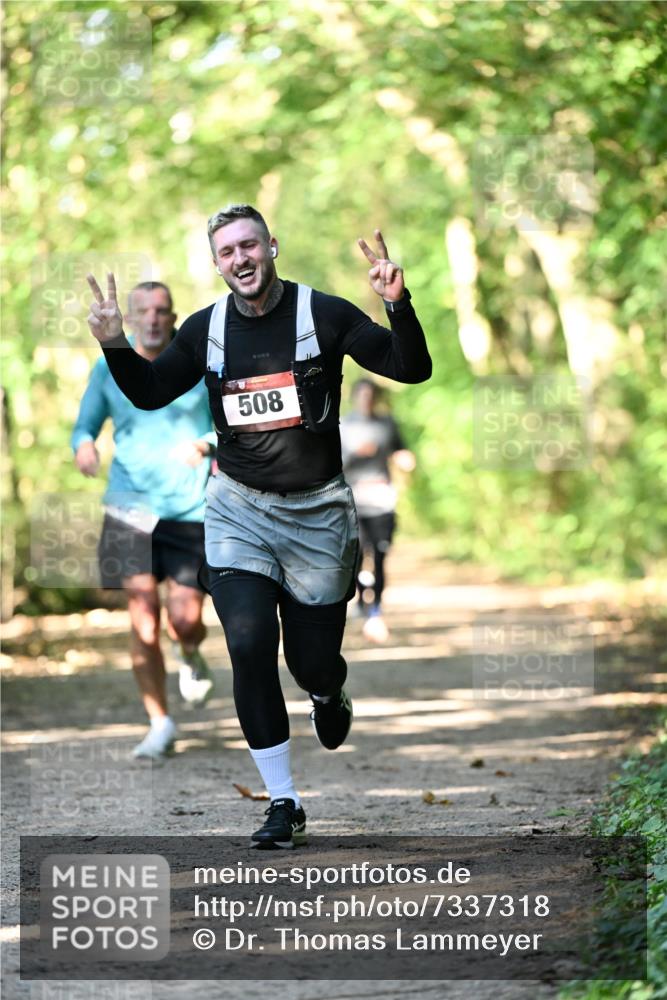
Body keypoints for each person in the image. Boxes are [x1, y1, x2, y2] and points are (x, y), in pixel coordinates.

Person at [85, 205, 431, 847]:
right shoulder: (205, 329)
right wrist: (114, 344)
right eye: (226, 252)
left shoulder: (322, 314)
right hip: (237, 507)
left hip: (319, 515)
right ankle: (283, 800)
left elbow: (410, 368)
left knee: (313, 662)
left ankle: (329, 693)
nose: (240, 259)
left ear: (272, 245)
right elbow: (151, 391)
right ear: (217, 264)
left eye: (249, 245)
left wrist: (397, 304)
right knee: (246, 643)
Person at [72, 281, 216, 760]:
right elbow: (85, 422)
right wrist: (84, 444)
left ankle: (191, 652)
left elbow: (229, 418)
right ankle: (160, 722)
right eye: (143, 312)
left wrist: (207, 442)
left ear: (173, 316)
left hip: (188, 510)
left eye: (161, 311)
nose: (153, 319)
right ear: (130, 319)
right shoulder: (108, 367)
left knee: (184, 620)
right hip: (128, 506)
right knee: (142, 622)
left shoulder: (194, 362)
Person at [341, 378, 416, 643]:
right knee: (359, 554)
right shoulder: (344, 426)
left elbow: (400, 449)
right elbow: (334, 463)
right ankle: (361, 599)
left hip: (382, 496)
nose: (367, 400)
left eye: (371, 396)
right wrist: (355, 455)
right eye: (362, 395)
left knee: (381, 553)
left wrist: (404, 458)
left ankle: (377, 609)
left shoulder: (386, 424)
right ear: (354, 397)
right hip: (354, 498)